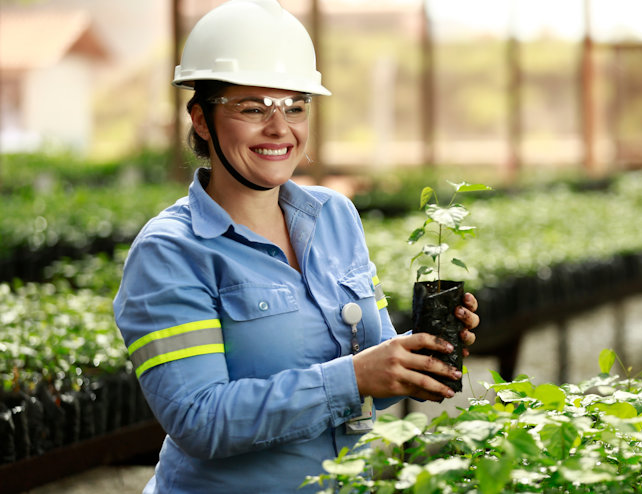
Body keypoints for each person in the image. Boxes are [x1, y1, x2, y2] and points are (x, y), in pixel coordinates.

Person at [112, 0, 479, 492]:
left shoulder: (335, 217)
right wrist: (352, 378)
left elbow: (371, 382)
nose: (279, 128)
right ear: (201, 119)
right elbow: (199, 420)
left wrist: (413, 361)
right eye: (253, 108)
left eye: (295, 106)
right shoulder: (171, 252)